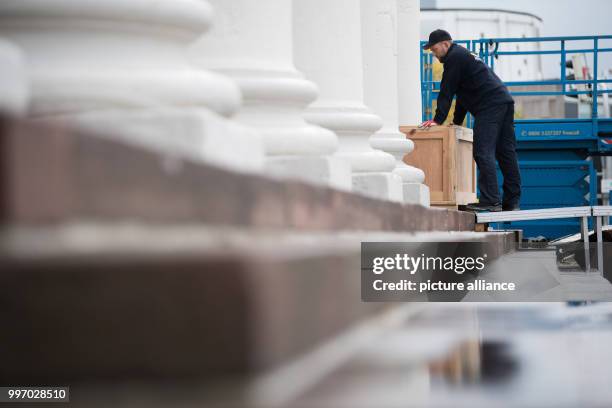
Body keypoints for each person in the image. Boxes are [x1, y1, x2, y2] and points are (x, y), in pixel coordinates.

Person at [419, 29, 521, 212]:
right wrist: (457, 123)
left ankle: (491, 201)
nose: (434, 55)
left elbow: (447, 90)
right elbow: (463, 96)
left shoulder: (454, 58)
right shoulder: (463, 56)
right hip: (503, 101)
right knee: (506, 154)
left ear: (445, 44)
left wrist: (437, 120)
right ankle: (511, 202)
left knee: (482, 152)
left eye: (434, 50)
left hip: (489, 105)